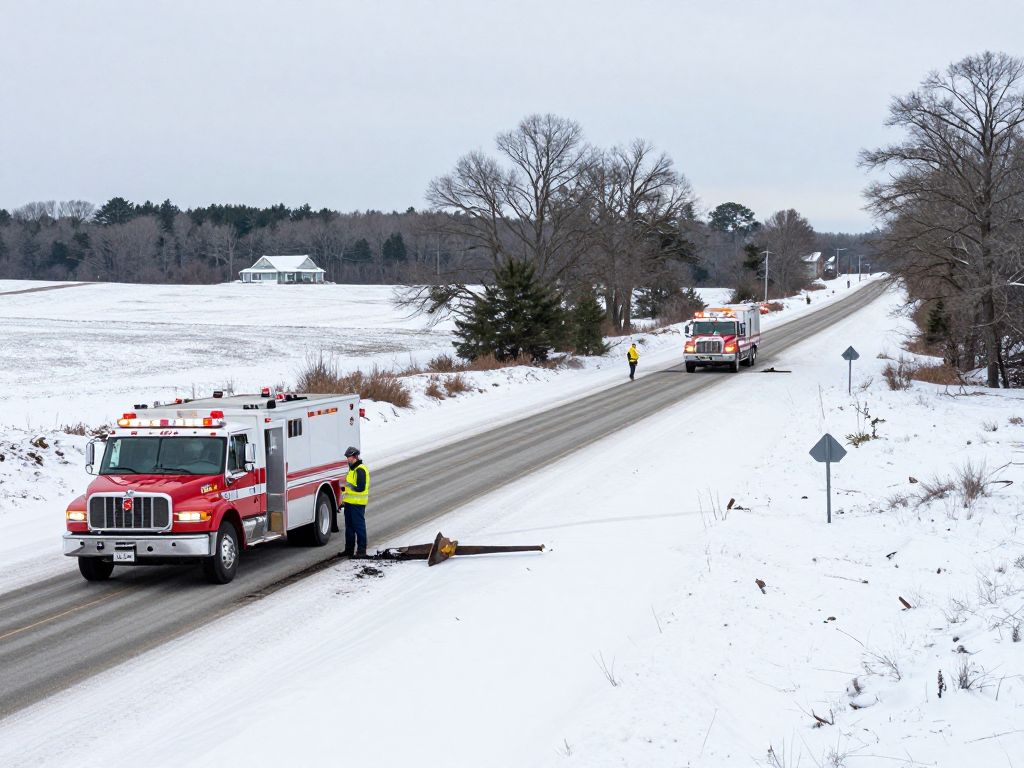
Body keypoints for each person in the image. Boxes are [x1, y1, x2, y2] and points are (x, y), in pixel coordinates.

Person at [341, 446, 370, 557]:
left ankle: (361, 551)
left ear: (354, 457)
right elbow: (347, 487)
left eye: (348, 457)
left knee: (359, 527)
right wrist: (343, 497)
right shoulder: (352, 469)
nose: (347, 459)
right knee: (349, 528)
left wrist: (346, 484)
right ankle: (349, 550)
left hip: (357, 504)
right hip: (349, 503)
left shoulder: (360, 469)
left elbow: (360, 488)